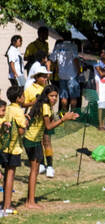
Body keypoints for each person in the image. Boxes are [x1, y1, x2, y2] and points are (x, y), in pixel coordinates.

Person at [22, 80, 77, 208]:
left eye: (56, 96)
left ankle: (30, 200)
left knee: (34, 171)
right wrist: (64, 119)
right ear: (46, 96)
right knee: (34, 171)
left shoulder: (43, 105)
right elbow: (48, 126)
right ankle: (30, 202)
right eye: (51, 96)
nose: (54, 98)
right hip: (32, 140)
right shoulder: (45, 106)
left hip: (31, 139)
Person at [0, 87, 27, 215]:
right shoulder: (18, 111)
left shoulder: (8, 108)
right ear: (18, 98)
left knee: (6, 176)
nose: (25, 98)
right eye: (23, 96)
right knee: (10, 176)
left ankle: (4, 204)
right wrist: (27, 121)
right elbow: (22, 129)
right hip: (13, 149)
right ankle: (7, 206)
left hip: (4, 147)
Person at [53, 33, 82, 113]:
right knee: (73, 96)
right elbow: (75, 59)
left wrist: (57, 69)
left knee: (63, 96)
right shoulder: (73, 46)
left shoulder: (58, 46)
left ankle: (64, 114)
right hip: (72, 75)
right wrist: (79, 71)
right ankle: (72, 113)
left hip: (62, 75)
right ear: (71, 37)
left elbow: (54, 60)